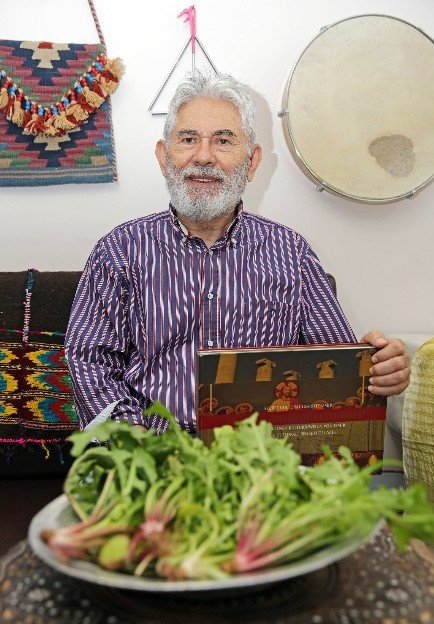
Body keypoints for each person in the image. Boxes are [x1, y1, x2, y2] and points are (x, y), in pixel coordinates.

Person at [65, 70, 410, 432]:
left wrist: (379, 369)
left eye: (224, 141)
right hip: (153, 450)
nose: (204, 157)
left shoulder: (292, 253)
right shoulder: (119, 251)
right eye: (188, 139)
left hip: (263, 453)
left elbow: (339, 369)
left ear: (253, 162)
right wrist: (138, 444)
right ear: (164, 156)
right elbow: (88, 361)